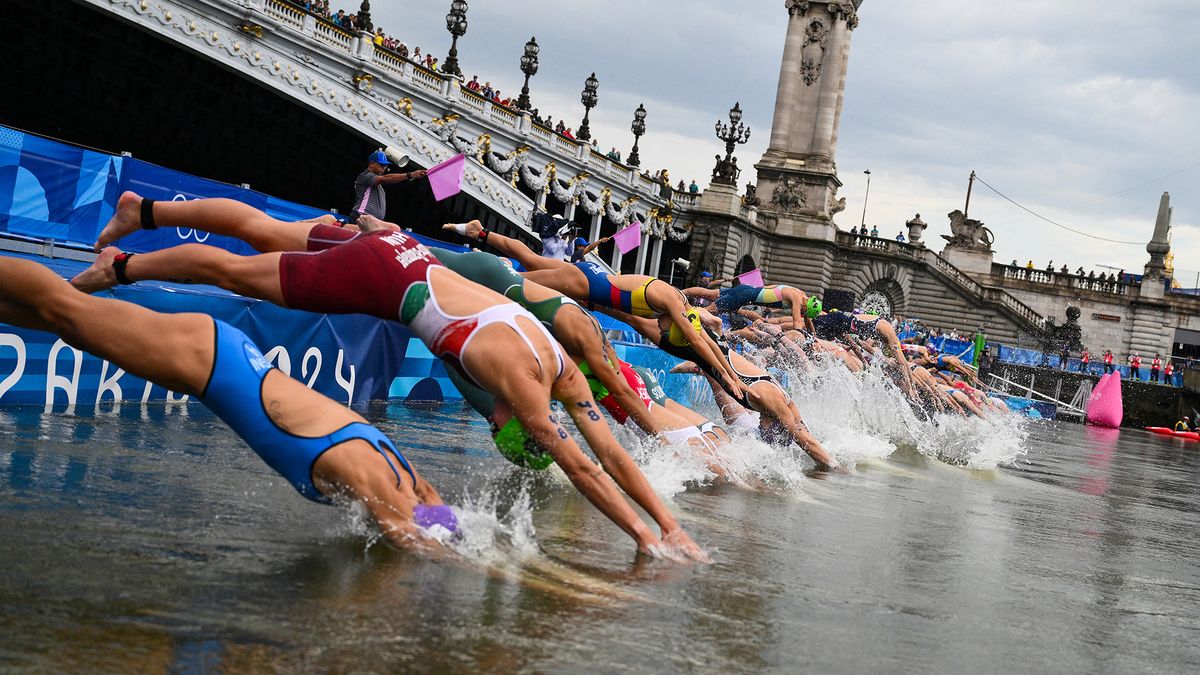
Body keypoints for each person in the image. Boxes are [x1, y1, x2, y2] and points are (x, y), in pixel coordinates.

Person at [75, 193, 709, 561]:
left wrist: (671, 524)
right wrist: (646, 542)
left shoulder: (561, 368)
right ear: (512, 418)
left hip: (405, 250)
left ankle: (147, 209)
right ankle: (121, 267)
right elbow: (586, 468)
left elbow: (610, 457)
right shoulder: (520, 389)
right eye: (504, 429)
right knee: (236, 275)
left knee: (262, 232)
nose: (494, 423)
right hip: (383, 276)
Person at [2, 257, 454, 550]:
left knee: (68, 323)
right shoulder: (378, 482)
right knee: (67, 309)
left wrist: (473, 548)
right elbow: (409, 541)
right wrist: (479, 574)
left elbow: (443, 523)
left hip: (220, 356)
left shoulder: (412, 481)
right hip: (207, 361)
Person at [444, 221, 750, 404]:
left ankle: (479, 233)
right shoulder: (671, 303)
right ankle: (477, 266)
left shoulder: (679, 305)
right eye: (667, 328)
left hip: (592, 279)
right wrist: (727, 376)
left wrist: (728, 374)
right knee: (514, 279)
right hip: (585, 283)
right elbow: (697, 342)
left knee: (530, 258)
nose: (660, 326)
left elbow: (706, 342)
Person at [351, 150, 427, 223]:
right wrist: (409, 175)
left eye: (385, 165)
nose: (384, 167)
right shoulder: (365, 176)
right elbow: (386, 178)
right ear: (372, 164)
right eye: (381, 164)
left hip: (370, 220)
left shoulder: (375, 184)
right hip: (362, 216)